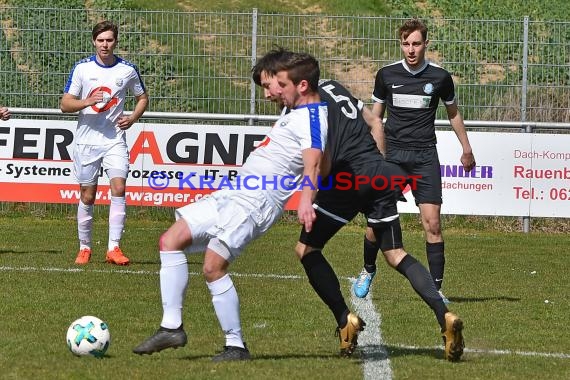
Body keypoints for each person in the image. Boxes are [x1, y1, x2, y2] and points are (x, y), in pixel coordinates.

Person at [254, 48, 464, 361]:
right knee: (396, 254)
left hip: (347, 181)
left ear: (296, 81)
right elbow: (376, 124)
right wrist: (378, 168)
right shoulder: (336, 87)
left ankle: (344, 320)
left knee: (306, 250)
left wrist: (314, 190)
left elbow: (321, 163)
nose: (274, 92)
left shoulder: (305, 110)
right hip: (379, 171)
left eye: (276, 83)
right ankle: (444, 315)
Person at [132, 51, 329, 361]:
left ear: (302, 85)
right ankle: (171, 327)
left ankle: (236, 345)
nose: (272, 92)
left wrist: (306, 199)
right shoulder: (295, 110)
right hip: (233, 194)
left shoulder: (313, 117)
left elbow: (314, 163)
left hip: (256, 203)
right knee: (170, 240)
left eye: (279, 84)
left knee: (213, 266)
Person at [353, 17, 476, 303]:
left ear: (426, 44)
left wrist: (466, 148)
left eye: (416, 44)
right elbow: (376, 117)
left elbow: (453, 113)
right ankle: (368, 270)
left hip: (424, 157)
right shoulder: (386, 75)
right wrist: (370, 152)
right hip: (392, 157)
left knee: (432, 224)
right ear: (401, 44)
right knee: (375, 223)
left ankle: (436, 291)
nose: (411, 49)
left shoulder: (440, 78)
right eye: (406, 44)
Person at [60, 20, 149, 266]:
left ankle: (114, 248)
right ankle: (85, 247)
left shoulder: (127, 70)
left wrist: (132, 118)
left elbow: (142, 98)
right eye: (100, 40)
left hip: (114, 140)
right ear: (94, 42)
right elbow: (65, 104)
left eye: (109, 40)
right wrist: (87, 101)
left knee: (119, 188)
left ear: (115, 41)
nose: (105, 44)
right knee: (88, 196)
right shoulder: (82, 69)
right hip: (87, 142)